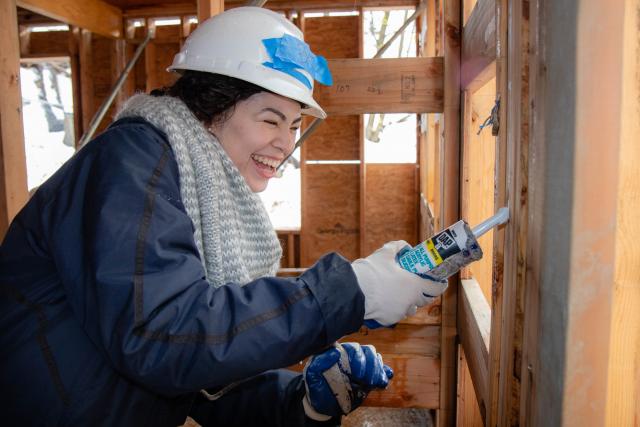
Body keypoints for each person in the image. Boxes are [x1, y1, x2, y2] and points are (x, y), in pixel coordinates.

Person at [0, 7, 447, 426]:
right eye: (271, 120)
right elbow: (160, 337)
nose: (286, 143)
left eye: (293, 126)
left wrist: (304, 401)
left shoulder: (206, 195)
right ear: (213, 105)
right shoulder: (133, 163)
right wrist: (351, 291)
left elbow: (200, 376)